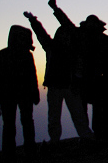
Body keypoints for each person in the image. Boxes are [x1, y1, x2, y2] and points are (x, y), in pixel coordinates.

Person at [23, 11, 93, 146]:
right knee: (57, 115)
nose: (64, 37)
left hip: (68, 86)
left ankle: (83, 136)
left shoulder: (70, 49)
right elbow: (41, 33)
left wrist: (33, 20)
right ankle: (59, 139)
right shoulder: (53, 47)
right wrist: (33, 20)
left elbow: (43, 34)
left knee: (74, 113)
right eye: (62, 35)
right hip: (57, 86)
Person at [48, 0, 108, 140]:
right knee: (81, 108)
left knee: (97, 108)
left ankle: (96, 135)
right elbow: (65, 22)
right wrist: (55, 9)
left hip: (97, 78)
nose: (91, 25)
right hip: (82, 78)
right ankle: (88, 136)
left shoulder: (102, 39)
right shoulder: (80, 35)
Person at [0, 25, 40, 162]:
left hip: (9, 95)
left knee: (10, 125)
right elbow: (32, 76)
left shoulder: (3, 54)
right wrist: (35, 94)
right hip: (22, 95)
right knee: (25, 123)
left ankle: (9, 154)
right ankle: (29, 151)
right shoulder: (26, 55)